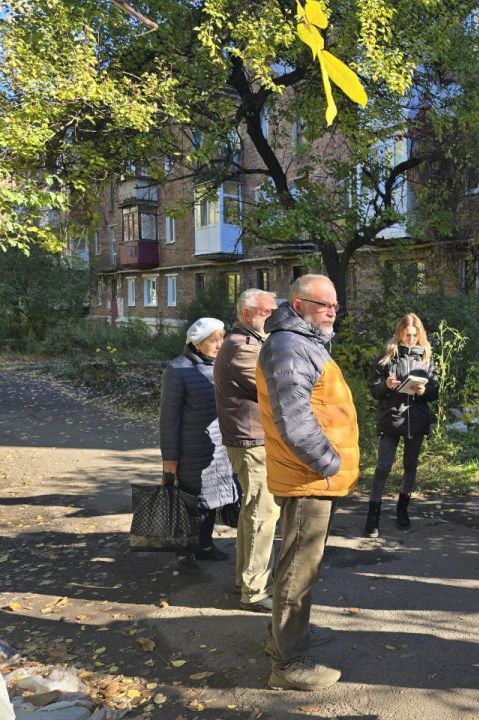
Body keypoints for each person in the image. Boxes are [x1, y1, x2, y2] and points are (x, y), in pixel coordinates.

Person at [256, 274, 359, 692]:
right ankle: (288, 663)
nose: (332, 311)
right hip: (309, 478)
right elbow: (294, 419)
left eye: (335, 305)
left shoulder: (300, 343)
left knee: (300, 567)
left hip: (311, 478)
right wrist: (329, 463)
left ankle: (284, 639)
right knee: (299, 570)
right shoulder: (289, 346)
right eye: (323, 305)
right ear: (298, 306)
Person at [213, 288, 280, 613]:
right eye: (267, 311)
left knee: (252, 511)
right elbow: (275, 386)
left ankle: (245, 580)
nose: (274, 315)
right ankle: (253, 591)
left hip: (252, 440)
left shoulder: (250, 342)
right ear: (246, 314)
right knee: (262, 515)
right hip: (251, 442)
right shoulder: (241, 347)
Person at [160, 317, 238, 576]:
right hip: (190, 449)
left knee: (212, 501)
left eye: (221, 338)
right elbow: (169, 418)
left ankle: (204, 544)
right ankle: (184, 551)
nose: (219, 344)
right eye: (213, 340)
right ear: (196, 344)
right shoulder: (178, 368)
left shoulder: (221, 366)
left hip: (218, 448)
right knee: (191, 502)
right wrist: (169, 457)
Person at [365, 313, 439, 537]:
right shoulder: (387, 357)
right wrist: (386, 385)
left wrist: (425, 390)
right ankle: (373, 514)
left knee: (410, 467)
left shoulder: (426, 358)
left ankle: (402, 509)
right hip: (391, 418)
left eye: (415, 335)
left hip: (415, 421)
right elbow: (374, 389)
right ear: (400, 333)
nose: (411, 339)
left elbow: (434, 390)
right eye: (408, 335)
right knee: (383, 467)